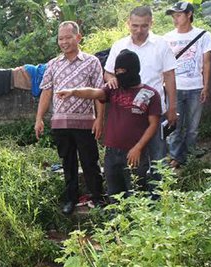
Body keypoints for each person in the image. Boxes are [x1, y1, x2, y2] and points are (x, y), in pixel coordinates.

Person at [57, 49, 161, 200]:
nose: (119, 74)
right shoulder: (113, 89)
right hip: (112, 153)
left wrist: (138, 148)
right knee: (114, 196)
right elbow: (94, 93)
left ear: (133, 70)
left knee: (137, 195)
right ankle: (115, 223)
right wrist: (73, 91)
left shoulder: (151, 94)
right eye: (117, 71)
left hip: (135, 154)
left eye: (123, 71)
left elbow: (153, 125)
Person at [35, 21, 105, 214]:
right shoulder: (53, 64)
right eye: (60, 38)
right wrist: (39, 118)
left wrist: (99, 119)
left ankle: (97, 197)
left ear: (78, 37)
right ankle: (71, 199)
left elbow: (100, 93)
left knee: (90, 161)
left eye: (68, 37)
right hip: (61, 123)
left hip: (85, 123)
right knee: (68, 162)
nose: (64, 42)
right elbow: (46, 93)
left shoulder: (92, 62)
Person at [104, 6, 178, 169]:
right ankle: (133, 193)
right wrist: (111, 80)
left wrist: (172, 107)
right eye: (135, 25)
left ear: (151, 23)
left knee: (157, 158)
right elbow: (108, 73)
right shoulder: (119, 45)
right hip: (126, 113)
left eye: (144, 25)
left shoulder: (161, 44)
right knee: (129, 161)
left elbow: (169, 76)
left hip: (153, 112)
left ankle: (158, 194)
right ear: (128, 23)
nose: (139, 30)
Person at [164, 2, 211, 168]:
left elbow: (207, 63)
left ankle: (190, 156)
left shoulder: (203, 35)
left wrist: (206, 86)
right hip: (174, 88)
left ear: (189, 14)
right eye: (173, 16)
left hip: (195, 87)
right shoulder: (167, 38)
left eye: (178, 15)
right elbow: (163, 64)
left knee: (193, 127)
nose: (175, 19)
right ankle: (176, 157)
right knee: (174, 125)